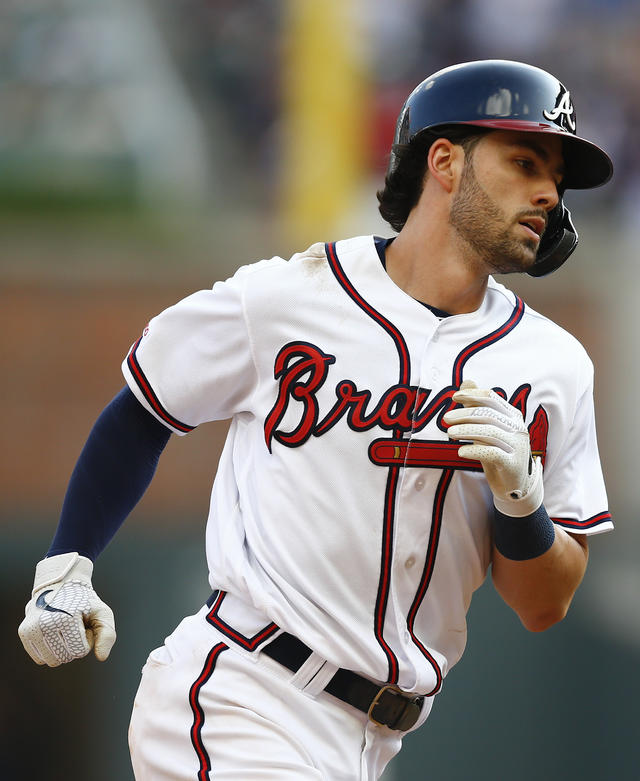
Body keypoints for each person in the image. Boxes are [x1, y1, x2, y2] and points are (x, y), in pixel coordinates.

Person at [18, 60, 614, 780]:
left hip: (372, 742)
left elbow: (544, 603)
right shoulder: (289, 297)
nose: (549, 191)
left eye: (556, 174)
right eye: (525, 161)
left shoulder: (553, 365)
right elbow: (146, 408)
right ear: (446, 161)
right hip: (244, 693)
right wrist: (67, 565)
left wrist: (523, 505)